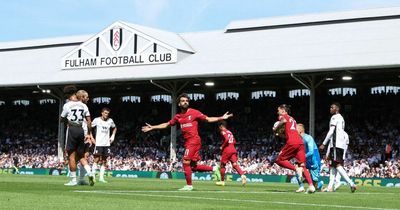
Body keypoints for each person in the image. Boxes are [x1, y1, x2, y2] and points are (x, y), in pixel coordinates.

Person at [142, 93, 232, 191]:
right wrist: (153, 127)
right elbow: (167, 124)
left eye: (186, 101)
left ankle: (189, 185)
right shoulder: (178, 117)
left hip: (194, 140)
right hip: (188, 142)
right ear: (179, 104)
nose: (185, 102)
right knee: (193, 166)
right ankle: (214, 169)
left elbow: (208, 119)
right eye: (183, 101)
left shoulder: (194, 112)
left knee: (185, 161)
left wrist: (221, 118)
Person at [273, 104, 315, 193]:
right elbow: (289, 134)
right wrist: (281, 134)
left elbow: (283, 121)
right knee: (302, 165)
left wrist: (276, 129)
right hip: (299, 142)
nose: (278, 112)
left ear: (283, 110)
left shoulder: (283, 116)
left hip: (292, 142)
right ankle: (310, 186)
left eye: (278, 110)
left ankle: (296, 169)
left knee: (279, 160)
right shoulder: (293, 119)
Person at [60, 86, 95, 186]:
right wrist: (88, 133)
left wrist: (67, 119)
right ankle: (90, 172)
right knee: (80, 155)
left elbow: (61, 119)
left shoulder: (67, 105)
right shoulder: (83, 105)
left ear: (67, 95)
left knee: (71, 156)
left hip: (72, 129)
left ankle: (73, 180)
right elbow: (89, 121)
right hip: (81, 131)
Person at [319, 102, 356, 193]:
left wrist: (324, 143)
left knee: (337, 165)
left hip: (336, 144)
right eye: (330, 107)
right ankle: (330, 187)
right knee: (332, 166)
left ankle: (351, 183)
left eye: (332, 107)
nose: (330, 109)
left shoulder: (334, 117)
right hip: (339, 144)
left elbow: (331, 131)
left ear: (337, 109)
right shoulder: (341, 118)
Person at [215, 121, 246, 186]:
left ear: (221, 126)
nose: (219, 128)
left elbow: (226, 139)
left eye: (219, 127)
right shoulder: (230, 132)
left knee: (222, 165)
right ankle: (242, 175)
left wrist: (222, 146)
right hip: (233, 149)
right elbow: (234, 141)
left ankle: (222, 181)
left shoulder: (223, 131)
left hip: (227, 150)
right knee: (235, 164)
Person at [91, 107, 117, 183]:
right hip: (98, 143)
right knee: (96, 160)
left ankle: (101, 178)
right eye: (105, 113)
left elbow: (115, 128)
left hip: (107, 144)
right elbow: (90, 127)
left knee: (104, 161)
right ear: (102, 113)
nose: (106, 115)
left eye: (108, 113)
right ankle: (92, 177)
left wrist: (113, 136)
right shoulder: (96, 120)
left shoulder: (110, 121)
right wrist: (91, 137)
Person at [295, 123, 322, 192]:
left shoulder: (308, 138)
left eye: (296, 129)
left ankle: (319, 184)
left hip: (314, 159)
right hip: (305, 158)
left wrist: (302, 157)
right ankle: (301, 187)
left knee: (314, 183)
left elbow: (311, 152)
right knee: (298, 169)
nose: (294, 130)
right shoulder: (297, 139)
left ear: (301, 130)